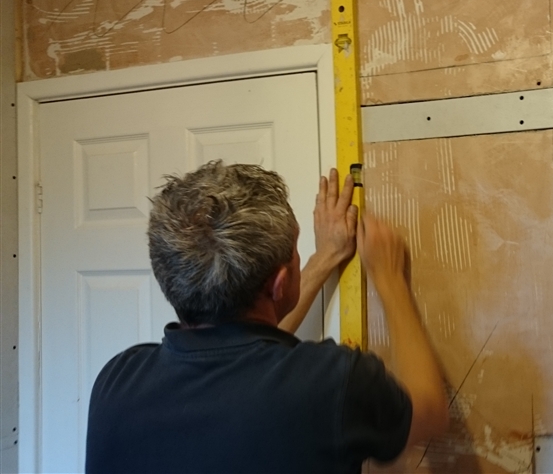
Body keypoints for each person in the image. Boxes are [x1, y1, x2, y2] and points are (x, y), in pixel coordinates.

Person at [85, 161, 448, 473]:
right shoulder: (332, 382)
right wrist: (389, 277)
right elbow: (429, 410)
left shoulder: (117, 383)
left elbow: (247, 358)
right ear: (279, 283)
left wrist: (325, 257)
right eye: (295, 251)